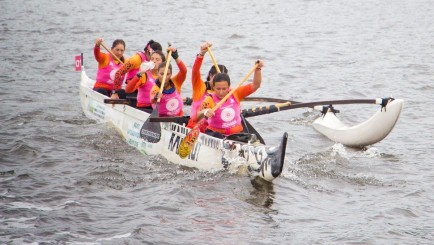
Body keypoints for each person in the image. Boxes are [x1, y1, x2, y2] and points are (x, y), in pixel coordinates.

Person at [197, 60, 264, 138]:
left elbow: (256, 85)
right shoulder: (209, 99)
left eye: (224, 89)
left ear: (229, 87)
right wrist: (204, 112)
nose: (221, 92)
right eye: (218, 89)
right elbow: (198, 116)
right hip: (215, 135)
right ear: (213, 87)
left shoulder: (235, 93)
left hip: (236, 134)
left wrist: (258, 69)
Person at [186, 42, 228, 130]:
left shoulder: (225, 93)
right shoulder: (200, 87)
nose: (219, 81)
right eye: (216, 77)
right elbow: (195, 71)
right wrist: (201, 54)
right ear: (210, 76)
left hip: (213, 128)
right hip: (195, 126)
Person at [149, 46, 187, 117]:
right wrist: (156, 97)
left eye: (167, 74)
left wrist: (176, 57)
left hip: (179, 116)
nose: (164, 77)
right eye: (162, 74)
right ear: (158, 74)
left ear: (171, 74)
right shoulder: (156, 88)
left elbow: (184, 71)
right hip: (162, 118)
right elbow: (152, 100)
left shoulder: (176, 81)